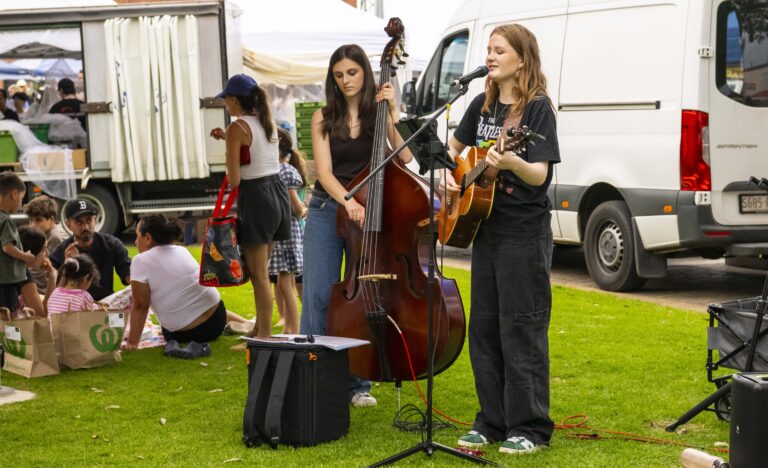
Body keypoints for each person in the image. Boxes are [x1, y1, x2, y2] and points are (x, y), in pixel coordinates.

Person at [439, 25, 561, 454]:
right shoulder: (481, 104)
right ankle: (491, 421)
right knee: (486, 329)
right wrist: (448, 181)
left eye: (498, 50)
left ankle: (529, 428)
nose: (489, 56)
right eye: (488, 50)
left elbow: (540, 175)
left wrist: (510, 160)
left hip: (523, 235)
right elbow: (451, 155)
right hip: (484, 232)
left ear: (521, 59)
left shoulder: (537, 110)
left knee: (521, 329)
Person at [300, 44, 413, 408]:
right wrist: (347, 202)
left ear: (365, 72)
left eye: (352, 73)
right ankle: (315, 375)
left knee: (361, 296)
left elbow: (407, 156)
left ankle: (356, 383)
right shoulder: (322, 117)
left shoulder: (379, 112)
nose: (346, 80)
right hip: (326, 207)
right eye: (338, 75)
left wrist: (393, 112)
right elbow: (324, 172)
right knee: (319, 295)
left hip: (368, 212)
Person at [209, 74, 290, 338]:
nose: (225, 104)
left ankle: (263, 336)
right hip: (277, 194)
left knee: (258, 275)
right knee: (262, 271)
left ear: (234, 100)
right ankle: (259, 329)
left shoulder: (237, 128)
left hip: (255, 198)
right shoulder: (268, 124)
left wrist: (227, 146)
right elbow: (254, 152)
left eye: (226, 99)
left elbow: (234, 179)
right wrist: (228, 139)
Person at [122, 215, 253, 357]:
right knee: (196, 301)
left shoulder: (140, 261)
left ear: (147, 238)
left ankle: (244, 323)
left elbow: (140, 305)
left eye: (137, 236)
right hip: (217, 317)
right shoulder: (181, 250)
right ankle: (245, 322)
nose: (135, 242)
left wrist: (132, 343)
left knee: (183, 309)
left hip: (187, 332)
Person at [50, 199, 131, 301]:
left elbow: (130, 276)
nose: (85, 227)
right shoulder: (61, 251)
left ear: (95, 220)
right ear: (68, 225)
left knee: (122, 316)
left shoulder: (112, 244)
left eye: (89, 220)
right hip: (75, 309)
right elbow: (56, 295)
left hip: (106, 306)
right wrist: (68, 266)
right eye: (79, 222)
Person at [268, 127, 307, 334]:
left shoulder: (283, 170)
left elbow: (295, 205)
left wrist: (303, 210)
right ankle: (291, 328)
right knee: (286, 283)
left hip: (286, 233)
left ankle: (293, 329)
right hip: (284, 231)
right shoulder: (281, 169)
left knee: (286, 283)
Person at [0, 172, 45, 313]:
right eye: (21, 198)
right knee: (8, 317)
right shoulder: (6, 220)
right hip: (6, 281)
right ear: (14, 194)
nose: (21, 203)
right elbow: (8, 247)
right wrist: (25, 256)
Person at [24, 195, 68, 294]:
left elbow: (42, 271)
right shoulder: (42, 234)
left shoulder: (55, 237)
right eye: (31, 220)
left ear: (51, 219)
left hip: (46, 292)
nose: (33, 225)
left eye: (38, 220)